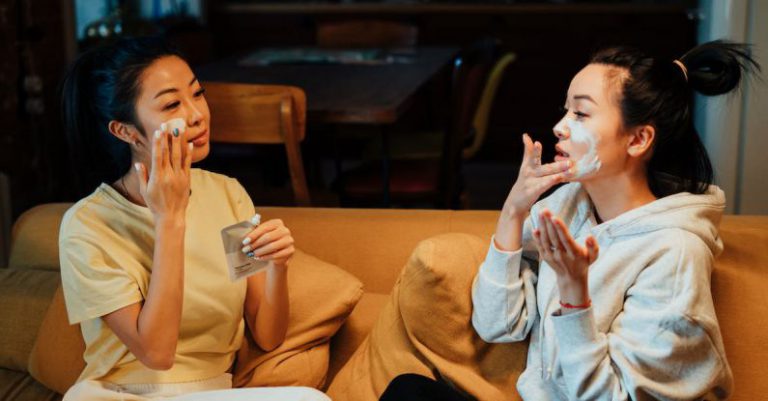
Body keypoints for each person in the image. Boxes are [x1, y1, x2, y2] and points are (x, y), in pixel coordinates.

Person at [381, 40, 759, 400]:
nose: (560, 126)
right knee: (408, 390)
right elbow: (497, 325)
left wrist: (575, 294)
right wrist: (513, 211)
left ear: (638, 139)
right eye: (566, 110)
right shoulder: (569, 205)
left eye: (580, 113)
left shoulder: (675, 252)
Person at [58, 36, 329, 401]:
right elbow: (157, 353)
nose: (197, 114)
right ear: (126, 131)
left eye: (197, 94)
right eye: (172, 104)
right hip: (121, 393)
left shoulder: (228, 195)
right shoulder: (87, 225)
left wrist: (277, 267)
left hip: (212, 391)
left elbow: (268, 335)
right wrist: (169, 220)